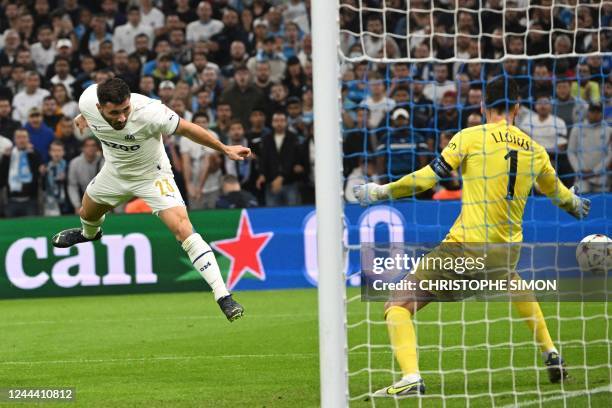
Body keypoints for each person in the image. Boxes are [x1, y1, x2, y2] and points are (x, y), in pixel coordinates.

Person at [353, 77, 591, 396]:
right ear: (518, 108)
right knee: (512, 280)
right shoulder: (535, 150)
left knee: (397, 303)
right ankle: (551, 353)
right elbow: (562, 196)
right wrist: (575, 203)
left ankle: (410, 377)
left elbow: (426, 179)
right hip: (506, 252)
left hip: (466, 247)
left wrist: (382, 191)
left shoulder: (470, 137)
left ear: (482, 106)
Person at [52, 78, 249, 321]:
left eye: (126, 110)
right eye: (115, 112)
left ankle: (223, 296)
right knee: (87, 213)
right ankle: (89, 234)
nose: (122, 117)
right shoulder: (87, 101)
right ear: (100, 107)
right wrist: (84, 117)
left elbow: (187, 128)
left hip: (152, 176)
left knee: (183, 228)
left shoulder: (151, 112)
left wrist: (224, 148)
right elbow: (86, 110)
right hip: (114, 173)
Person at [567, 102, 612, 193]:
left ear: (602, 113)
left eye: (598, 112)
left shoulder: (609, 131)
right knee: (581, 204)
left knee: (601, 205)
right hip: (581, 177)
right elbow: (571, 152)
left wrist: (595, 171)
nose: (595, 114)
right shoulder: (577, 128)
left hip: (601, 178)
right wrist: (579, 169)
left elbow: (610, 155)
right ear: (588, 112)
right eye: (592, 111)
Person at [0, 128, 42, 217]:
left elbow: (38, 175)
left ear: (28, 139)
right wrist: (6, 158)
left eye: (24, 137)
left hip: (30, 201)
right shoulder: (8, 155)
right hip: (11, 201)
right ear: (14, 139)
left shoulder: (35, 154)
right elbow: (2, 178)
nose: (22, 140)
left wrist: (32, 155)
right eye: (19, 137)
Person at [67, 137, 104, 212]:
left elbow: (108, 185)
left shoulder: (105, 162)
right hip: (82, 198)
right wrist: (77, 205)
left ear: (97, 148)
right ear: (83, 148)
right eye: (87, 146)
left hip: (102, 199)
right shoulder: (75, 163)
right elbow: (72, 186)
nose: (91, 148)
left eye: (93, 145)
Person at [43, 140, 69, 215]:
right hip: (50, 203)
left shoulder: (68, 166)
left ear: (63, 152)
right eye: (54, 150)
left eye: (59, 150)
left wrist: (66, 178)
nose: (56, 153)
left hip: (66, 203)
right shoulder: (45, 167)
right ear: (50, 152)